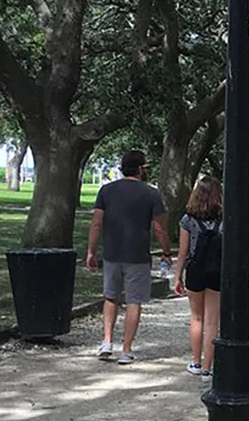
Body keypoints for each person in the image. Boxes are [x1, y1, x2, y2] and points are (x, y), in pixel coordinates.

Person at [86, 150, 171, 365]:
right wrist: (166, 251)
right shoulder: (151, 194)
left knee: (110, 297)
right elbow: (159, 228)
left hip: (112, 253)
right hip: (138, 255)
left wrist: (91, 251)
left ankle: (106, 341)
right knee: (134, 301)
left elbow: (96, 223)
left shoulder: (106, 191)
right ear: (141, 169)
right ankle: (126, 349)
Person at [173, 177, 222, 382]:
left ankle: (196, 361)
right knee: (212, 321)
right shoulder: (224, 218)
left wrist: (177, 276)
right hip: (217, 270)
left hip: (195, 269)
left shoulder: (188, 219)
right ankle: (208, 368)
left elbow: (183, 252)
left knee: (197, 318)